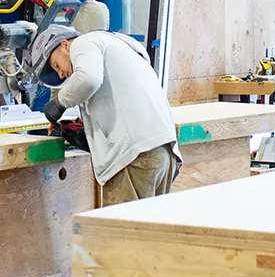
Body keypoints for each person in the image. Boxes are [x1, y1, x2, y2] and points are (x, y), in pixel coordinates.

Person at [30, 24, 181, 206]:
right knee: (148, 232)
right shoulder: (120, 46)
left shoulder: (84, 42)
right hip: (162, 152)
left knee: (120, 232)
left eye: (56, 65)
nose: (61, 74)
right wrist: (93, 136)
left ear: (65, 45)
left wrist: (59, 103)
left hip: (133, 158)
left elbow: (88, 79)